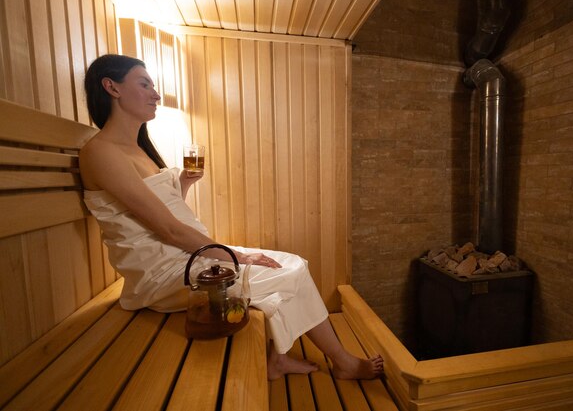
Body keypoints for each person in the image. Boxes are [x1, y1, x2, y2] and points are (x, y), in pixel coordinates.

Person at [80, 54, 383, 380]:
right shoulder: (101, 153)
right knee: (288, 273)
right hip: (163, 273)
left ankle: (278, 359)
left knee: (291, 264)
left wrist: (183, 184)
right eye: (145, 84)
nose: (155, 94)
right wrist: (235, 255)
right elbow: (168, 229)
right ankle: (342, 363)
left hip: (184, 258)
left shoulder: (137, 149)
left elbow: (159, 215)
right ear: (111, 87)